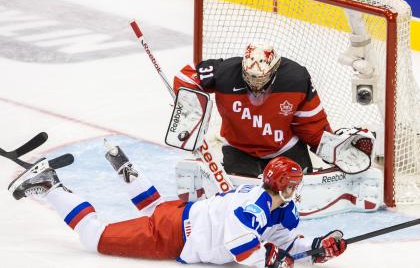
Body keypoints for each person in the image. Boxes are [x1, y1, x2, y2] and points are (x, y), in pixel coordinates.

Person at [7, 142, 346, 268]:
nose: (297, 192)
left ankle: (128, 170)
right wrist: (270, 259)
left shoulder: (274, 203)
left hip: (181, 214)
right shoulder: (254, 208)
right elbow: (243, 250)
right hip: (176, 235)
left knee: (153, 208)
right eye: (295, 187)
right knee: (95, 237)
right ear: (286, 188)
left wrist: (318, 247)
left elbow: (287, 244)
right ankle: (50, 184)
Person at [173, 43, 332, 177]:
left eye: (261, 78)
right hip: (240, 150)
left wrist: (332, 150)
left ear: (274, 70)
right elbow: (185, 78)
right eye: (250, 76)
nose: (255, 83)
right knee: (240, 201)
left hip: (285, 149)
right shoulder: (226, 72)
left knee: (297, 198)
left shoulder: (295, 79)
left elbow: (312, 124)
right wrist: (191, 109)